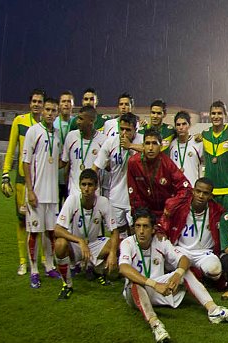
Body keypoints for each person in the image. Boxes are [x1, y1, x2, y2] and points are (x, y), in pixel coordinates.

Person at [118, 209, 228, 343]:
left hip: (160, 289)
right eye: (138, 226)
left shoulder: (161, 241)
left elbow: (184, 259)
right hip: (137, 293)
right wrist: (154, 284)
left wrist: (178, 274)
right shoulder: (127, 243)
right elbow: (124, 268)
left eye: (145, 226)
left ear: (153, 229)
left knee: (185, 272)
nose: (141, 231)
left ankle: (213, 310)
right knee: (135, 283)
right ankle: (156, 325)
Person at [52, 168, 119, 299]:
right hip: (76, 245)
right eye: (83, 185)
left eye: (90, 185)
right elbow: (57, 229)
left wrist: (112, 254)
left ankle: (97, 270)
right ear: (79, 185)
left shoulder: (103, 202)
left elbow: (115, 231)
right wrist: (80, 241)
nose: (86, 189)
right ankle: (67, 285)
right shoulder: (72, 200)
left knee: (117, 248)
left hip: (93, 243)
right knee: (60, 244)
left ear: (96, 186)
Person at [1, 88, 45, 275]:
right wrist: (5, 173)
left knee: (41, 222)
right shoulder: (19, 121)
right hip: (21, 180)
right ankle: (22, 261)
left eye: (39, 101)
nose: (36, 104)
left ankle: (43, 259)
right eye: (34, 101)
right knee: (21, 221)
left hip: (41, 181)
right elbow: (11, 149)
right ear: (30, 103)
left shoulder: (48, 125)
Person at [22, 97, 64, 288]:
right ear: (43, 111)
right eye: (47, 109)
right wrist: (30, 190)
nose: (49, 113)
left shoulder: (58, 135)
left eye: (53, 110)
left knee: (50, 232)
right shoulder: (33, 131)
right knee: (34, 233)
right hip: (36, 194)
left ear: (57, 113)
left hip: (52, 194)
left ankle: (49, 265)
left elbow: (58, 161)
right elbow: (26, 162)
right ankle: (34, 270)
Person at [160, 177, 225, 285]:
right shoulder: (180, 208)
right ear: (193, 191)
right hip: (182, 250)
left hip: (204, 253)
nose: (201, 196)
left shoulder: (217, 211)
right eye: (198, 191)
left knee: (215, 271)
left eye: (205, 193)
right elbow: (164, 223)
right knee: (166, 263)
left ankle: (190, 273)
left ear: (210, 195)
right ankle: (195, 274)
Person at [126, 129, 192, 222]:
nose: (150, 148)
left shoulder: (167, 164)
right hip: (144, 213)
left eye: (154, 143)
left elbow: (186, 188)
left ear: (161, 146)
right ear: (143, 146)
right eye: (147, 143)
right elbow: (133, 192)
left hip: (165, 212)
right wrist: (138, 214)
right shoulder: (133, 162)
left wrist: (171, 204)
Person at [93, 112, 141, 236]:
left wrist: (131, 146)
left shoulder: (142, 140)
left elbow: (152, 151)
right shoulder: (111, 142)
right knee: (118, 232)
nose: (124, 133)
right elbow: (96, 166)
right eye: (122, 129)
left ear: (135, 129)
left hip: (136, 197)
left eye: (128, 130)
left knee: (136, 231)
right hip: (116, 196)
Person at [60, 106, 107, 197]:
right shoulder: (71, 136)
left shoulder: (103, 140)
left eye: (81, 119)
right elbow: (65, 163)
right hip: (74, 193)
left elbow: (107, 167)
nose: (77, 121)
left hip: (94, 194)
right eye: (78, 118)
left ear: (91, 121)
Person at [201, 101, 228, 212]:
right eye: (213, 113)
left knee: (227, 219)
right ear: (209, 115)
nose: (216, 116)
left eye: (219, 113)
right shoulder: (204, 134)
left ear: (225, 115)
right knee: (211, 221)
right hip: (209, 190)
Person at [170, 111, 203, 186]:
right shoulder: (171, 144)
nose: (181, 127)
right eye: (178, 125)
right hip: (177, 188)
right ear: (175, 127)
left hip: (193, 187)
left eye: (184, 124)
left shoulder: (198, 143)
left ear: (189, 125)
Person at [54, 90, 75, 205]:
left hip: (71, 177)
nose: (66, 104)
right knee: (54, 210)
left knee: (70, 210)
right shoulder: (53, 123)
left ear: (73, 105)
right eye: (63, 101)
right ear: (59, 105)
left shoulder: (76, 123)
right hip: (55, 175)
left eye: (69, 101)